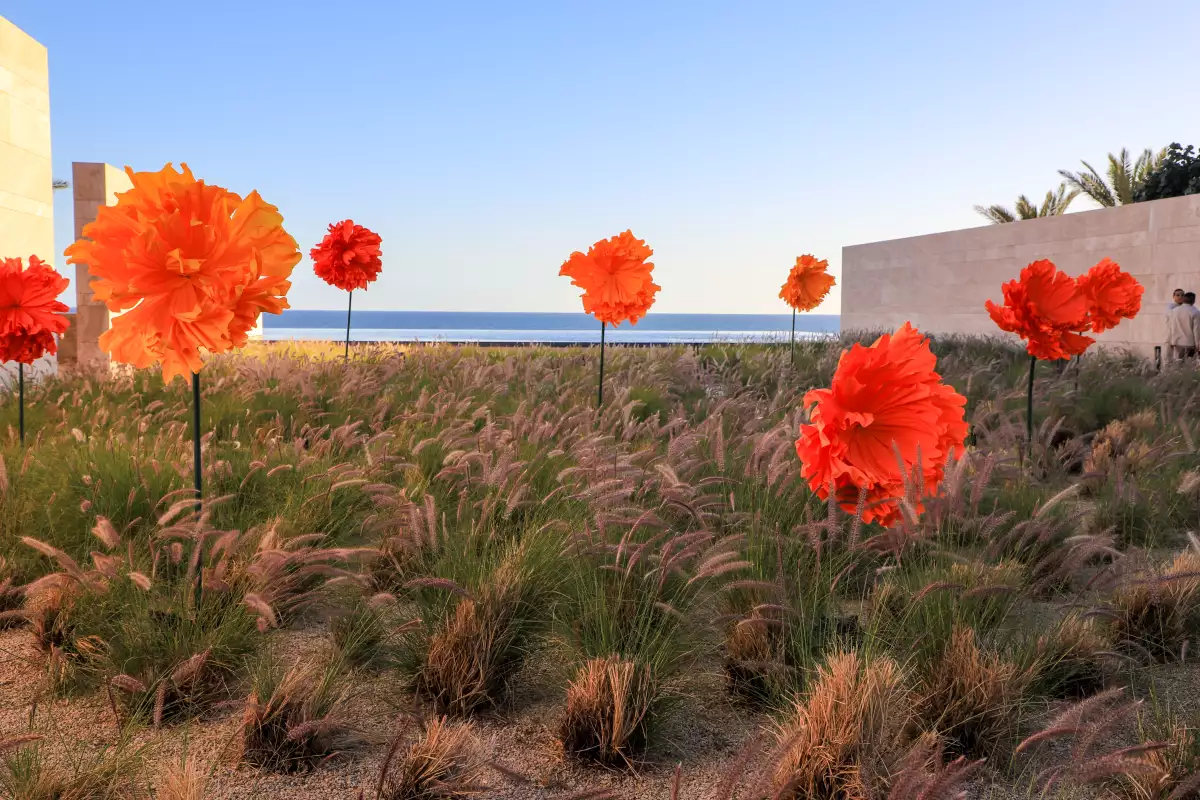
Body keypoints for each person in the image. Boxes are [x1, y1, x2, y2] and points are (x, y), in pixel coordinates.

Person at [1167, 292, 1200, 360]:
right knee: (1189, 365)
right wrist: (1197, 345)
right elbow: (1196, 330)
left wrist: (1171, 341)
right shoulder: (1195, 312)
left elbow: (1171, 327)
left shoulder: (1174, 311)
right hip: (1190, 343)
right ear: (1193, 300)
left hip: (1177, 342)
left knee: (1177, 365)